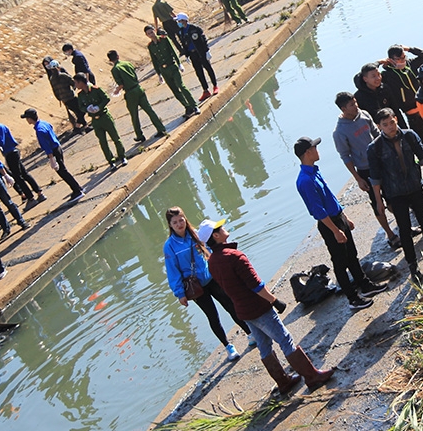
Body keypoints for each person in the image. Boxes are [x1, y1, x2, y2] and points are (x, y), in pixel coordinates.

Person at [202, 219, 335, 391]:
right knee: (285, 340)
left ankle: (283, 382)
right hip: (258, 307)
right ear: (216, 235)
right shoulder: (235, 257)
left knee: (264, 345)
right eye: (221, 228)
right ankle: (312, 376)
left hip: (242, 310)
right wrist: (274, 300)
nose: (225, 229)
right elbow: (256, 285)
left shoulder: (212, 262)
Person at [295, 137, 386, 310]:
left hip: (338, 218)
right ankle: (353, 298)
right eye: (315, 148)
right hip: (329, 224)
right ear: (308, 152)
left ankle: (364, 286)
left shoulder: (314, 171)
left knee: (352, 255)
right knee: (340, 263)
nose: (317, 150)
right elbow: (318, 210)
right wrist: (335, 230)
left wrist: (344, 217)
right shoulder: (305, 180)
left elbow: (329, 197)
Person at [162, 207, 253, 361]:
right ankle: (228, 346)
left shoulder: (196, 234)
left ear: (185, 219)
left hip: (212, 278)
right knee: (212, 316)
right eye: (175, 222)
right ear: (170, 225)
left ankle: (250, 334)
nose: (179, 224)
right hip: (196, 287)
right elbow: (173, 271)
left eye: (181, 220)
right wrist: (180, 293)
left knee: (230, 304)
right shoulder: (169, 246)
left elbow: (213, 249)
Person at [367, 110, 423, 282]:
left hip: (415, 187)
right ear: (379, 127)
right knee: (404, 230)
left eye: (392, 122)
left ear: (396, 119)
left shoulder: (409, 136)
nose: (390, 127)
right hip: (395, 194)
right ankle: (413, 266)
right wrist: (379, 201)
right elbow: (375, 177)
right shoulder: (375, 148)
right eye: (385, 125)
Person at [332, 92, 401, 248]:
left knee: (394, 197)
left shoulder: (364, 115)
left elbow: (377, 134)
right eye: (351, 105)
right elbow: (345, 156)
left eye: (355, 102)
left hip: (382, 163)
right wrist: (358, 178)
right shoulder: (339, 132)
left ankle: (404, 227)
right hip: (365, 170)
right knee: (378, 203)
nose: (355, 106)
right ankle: (390, 234)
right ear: (343, 109)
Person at [379, 45, 423, 179]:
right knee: (422, 147)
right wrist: (380, 63)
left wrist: (408, 49)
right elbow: (368, 76)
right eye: (398, 59)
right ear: (391, 60)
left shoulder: (411, 65)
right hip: (413, 116)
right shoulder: (387, 75)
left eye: (403, 57)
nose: (402, 60)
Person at [0, 111, 45, 205]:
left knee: (18, 177)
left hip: (11, 153)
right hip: (10, 153)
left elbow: (1, 142)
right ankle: (39, 192)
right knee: (24, 174)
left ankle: (30, 197)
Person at [21, 108, 84, 202]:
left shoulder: (39, 130)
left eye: (27, 118)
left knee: (63, 172)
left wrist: (51, 159)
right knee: (63, 170)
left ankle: (77, 191)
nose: (27, 120)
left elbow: (46, 146)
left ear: (30, 118)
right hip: (57, 147)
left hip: (53, 151)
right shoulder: (44, 123)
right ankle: (78, 188)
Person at [108, 50, 167, 143]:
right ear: (118, 56)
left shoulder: (115, 69)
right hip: (138, 88)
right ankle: (161, 128)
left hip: (130, 93)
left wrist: (116, 91)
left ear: (110, 60)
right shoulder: (127, 63)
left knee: (134, 115)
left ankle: (139, 135)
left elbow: (121, 84)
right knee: (149, 110)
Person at [74, 73, 128, 170]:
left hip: (104, 117)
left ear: (81, 82)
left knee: (115, 138)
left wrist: (99, 107)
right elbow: (81, 107)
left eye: (76, 83)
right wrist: (87, 109)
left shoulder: (96, 89)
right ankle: (111, 161)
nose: (75, 85)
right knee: (103, 142)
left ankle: (122, 156)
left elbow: (106, 98)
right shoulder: (81, 95)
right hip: (95, 121)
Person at [146, 25, 199, 119]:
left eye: (151, 32)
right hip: (164, 70)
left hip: (172, 66)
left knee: (181, 86)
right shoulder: (150, 46)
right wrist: (159, 74)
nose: (151, 34)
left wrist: (179, 64)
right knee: (175, 90)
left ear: (154, 30)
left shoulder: (164, 39)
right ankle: (187, 107)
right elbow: (154, 60)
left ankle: (194, 106)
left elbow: (173, 51)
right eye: (148, 34)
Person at [175, 13, 218, 101]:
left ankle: (215, 86)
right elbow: (184, 44)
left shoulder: (195, 28)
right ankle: (205, 90)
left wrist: (207, 51)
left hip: (201, 52)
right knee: (199, 73)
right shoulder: (181, 32)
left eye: (179, 21)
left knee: (208, 68)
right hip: (192, 54)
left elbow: (203, 39)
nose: (178, 23)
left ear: (184, 20)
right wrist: (187, 55)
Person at [44, 57, 87, 131]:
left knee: (77, 112)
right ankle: (77, 127)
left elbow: (55, 91)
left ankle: (85, 126)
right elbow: (73, 82)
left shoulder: (52, 79)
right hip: (71, 97)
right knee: (82, 110)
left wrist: (60, 98)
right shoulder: (63, 76)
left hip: (65, 100)